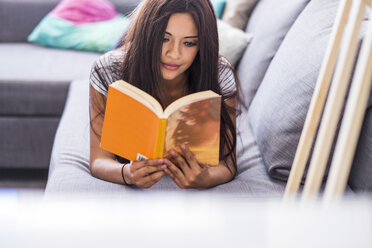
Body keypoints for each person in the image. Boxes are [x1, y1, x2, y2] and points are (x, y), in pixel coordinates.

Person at [89, 0, 241, 189]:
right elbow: (98, 161)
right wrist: (127, 173)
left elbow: (228, 164)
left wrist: (206, 178)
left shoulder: (220, 74)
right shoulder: (108, 70)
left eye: (189, 43)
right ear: (147, 33)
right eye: (164, 38)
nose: (174, 53)